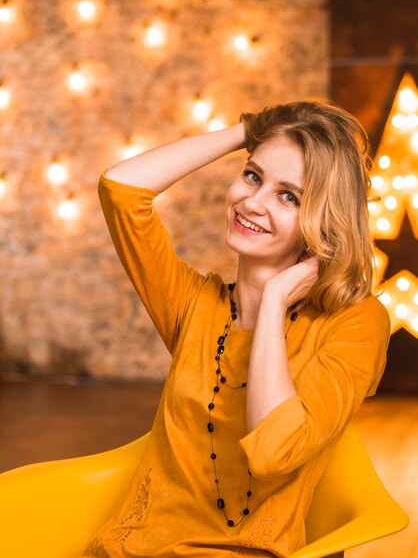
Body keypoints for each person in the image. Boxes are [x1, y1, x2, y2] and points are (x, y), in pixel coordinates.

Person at [82, 99, 390, 558]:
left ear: (321, 223)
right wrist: (251, 130)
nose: (253, 202)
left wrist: (273, 302)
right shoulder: (194, 306)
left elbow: (272, 453)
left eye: (289, 196)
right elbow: (122, 189)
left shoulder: (356, 324)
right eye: (252, 175)